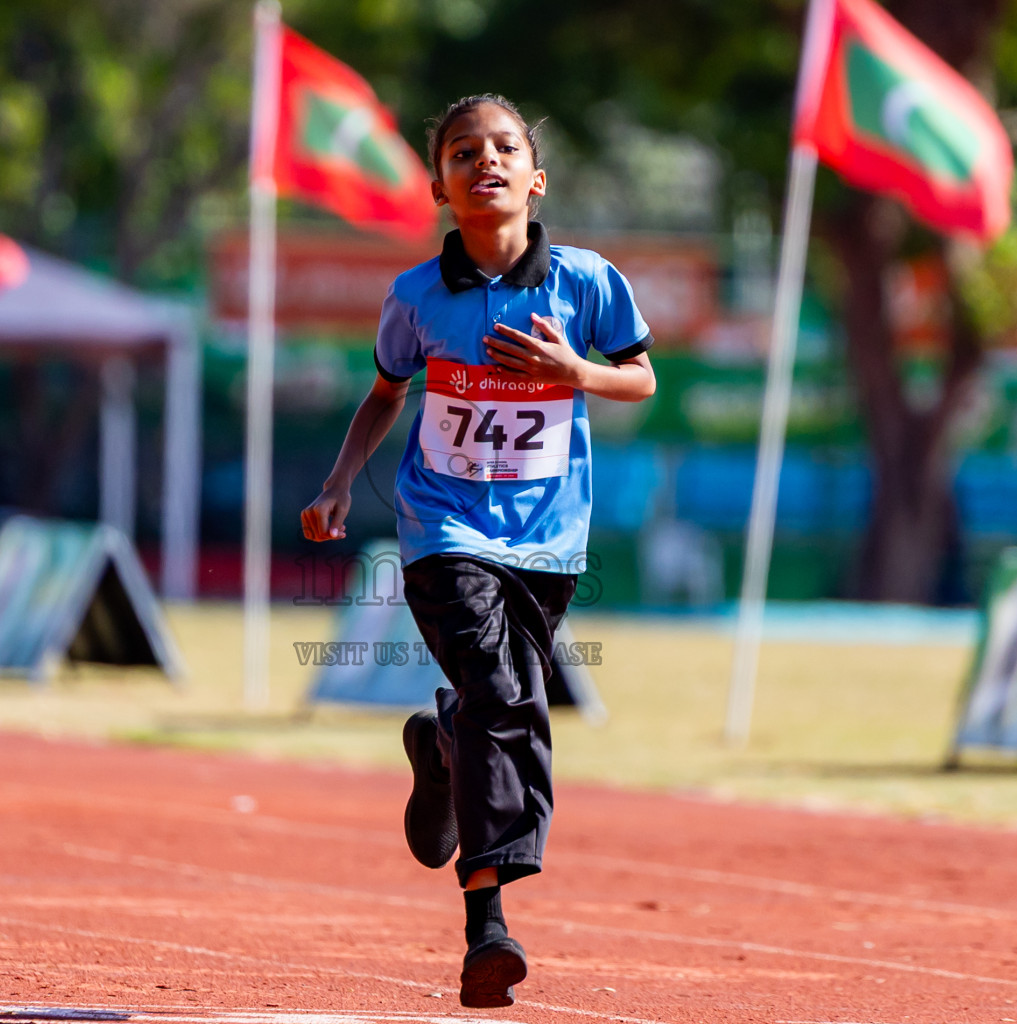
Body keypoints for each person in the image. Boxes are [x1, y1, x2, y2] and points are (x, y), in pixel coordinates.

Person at [300, 94, 656, 1007]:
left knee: (496, 707)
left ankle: (449, 754)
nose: (484, 161)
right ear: (439, 186)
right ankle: (487, 927)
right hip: (440, 526)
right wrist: (341, 481)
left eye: (505, 149)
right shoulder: (417, 296)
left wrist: (575, 374)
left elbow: (642, 378)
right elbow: (386, 393)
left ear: (536, 179)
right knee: (508, 698)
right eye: (463, 152)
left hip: (549, 540)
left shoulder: (586, 282)